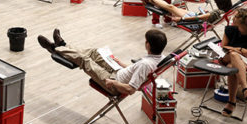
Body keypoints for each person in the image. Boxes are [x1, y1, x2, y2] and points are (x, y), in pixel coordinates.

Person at [37, 29, 167, 95]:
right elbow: (137, 72)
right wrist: (121, 63)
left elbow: (131, 89)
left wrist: (113, 82)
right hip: (118, 71)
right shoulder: (161, 58)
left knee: (85, 60)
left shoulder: (145, 65)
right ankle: (63, 45)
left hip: (114, 83)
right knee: (95, 52)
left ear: (148, 45)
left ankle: (54, 49)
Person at [219, 8, 247, 116]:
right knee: (233, 55)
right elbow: (224, 46)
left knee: (232, 68)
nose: (233, 18)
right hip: (227, 56)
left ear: (244, 22)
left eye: (236, 16)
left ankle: (231, 102)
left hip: (245, 62)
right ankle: (245, 88)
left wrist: (236, 52)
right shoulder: (230, 30)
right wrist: (240, 49)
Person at [139, 0, 233, 24]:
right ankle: (151, 1)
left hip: (195, 20)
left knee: (171, 7)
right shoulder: (225, 11)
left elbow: (199, 18)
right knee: (170, 8)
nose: (215, 3)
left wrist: (182, 19)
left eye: (216, 2)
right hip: (196, 16)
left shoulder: (218, 12)